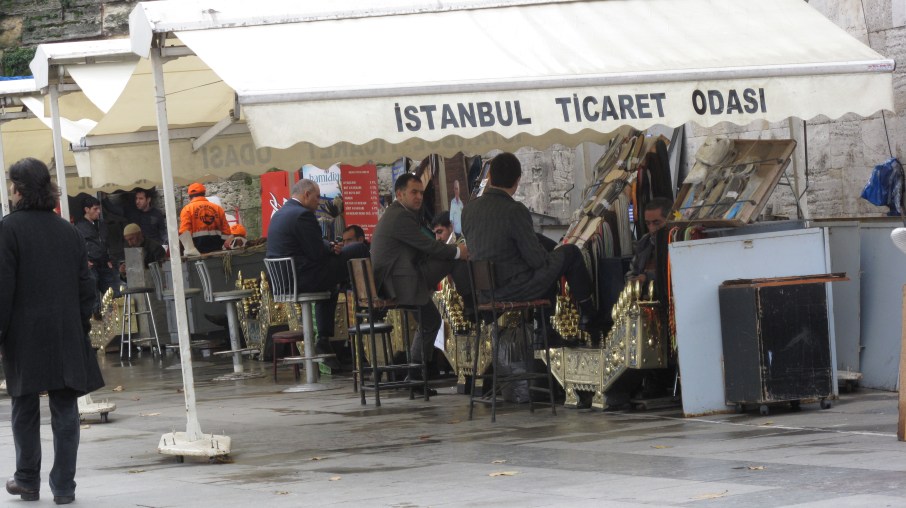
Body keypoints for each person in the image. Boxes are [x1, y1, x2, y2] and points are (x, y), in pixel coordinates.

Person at [0, 157, 103, 505]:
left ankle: (27, 481)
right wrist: (81, 324)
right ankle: (64, 486)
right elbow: (86, 286)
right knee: (65, 408)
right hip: (65, 330)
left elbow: (3, 289)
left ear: (18, 188)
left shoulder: (7, 229)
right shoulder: (69, 230)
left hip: (24, 332)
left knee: (24, 406)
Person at [461, 152, 596, 329]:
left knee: (544, 249)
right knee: (570, 252)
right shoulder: (514, 210)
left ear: (490, 176)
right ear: (517, 182)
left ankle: (544, 328)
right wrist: (552, 254)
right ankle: (589, 316)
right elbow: (537, 261)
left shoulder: (468, 210)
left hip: (485, 292)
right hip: (515, 288)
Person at [371, 174, 468, 381]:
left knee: (431, 321)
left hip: (398, 278)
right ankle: (470, 306)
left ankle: (415, 376)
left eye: (421, 193)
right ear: (399, 194)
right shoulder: (400, 216)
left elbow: (419, 250)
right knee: (453, 259)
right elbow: (427, 246)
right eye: (414, 192)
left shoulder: (399, 214)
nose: (419, 197)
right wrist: (458, 251)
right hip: (398, 283)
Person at [266, 179, 369, 368]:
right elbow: (316, 254)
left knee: (333, 284)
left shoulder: (281, 214)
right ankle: (372, 303)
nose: (319, 201)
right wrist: (332, 250)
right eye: (317, 197)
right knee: (358, 249)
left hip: (285, 281)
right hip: (304, 278)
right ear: (306, 194)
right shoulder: (303, 215)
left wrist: (330, 246)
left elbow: (312, 244)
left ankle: (323, 339)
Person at [74, 195, 120, 311]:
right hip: (91, 265)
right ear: (86, 209)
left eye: (99, 208)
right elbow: (76, 246)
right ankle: (96, 326)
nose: (98, 211)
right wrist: (84, 261)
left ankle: (114, 323)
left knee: (114, 295)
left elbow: (106, 243)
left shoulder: (101, 225)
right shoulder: (79, 227)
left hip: (104, 263)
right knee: (93, 300)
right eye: (95, 209)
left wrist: (109, 259)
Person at [178, 183, 233, 256]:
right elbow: (226, 232)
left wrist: (190, 250)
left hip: (198, 253)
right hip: (217, 250)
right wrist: (222, 246)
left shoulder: (187, 210)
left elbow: (184, 232)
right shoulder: (218, 208)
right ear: (204, 193)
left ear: (189, 197)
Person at [627, 197, 672, 283]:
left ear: (670, 220)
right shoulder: (644, 241)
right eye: (648, 223)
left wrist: (647, 278)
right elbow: (632, 272)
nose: (652, 229)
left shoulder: (676, 243)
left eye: (656, 223)